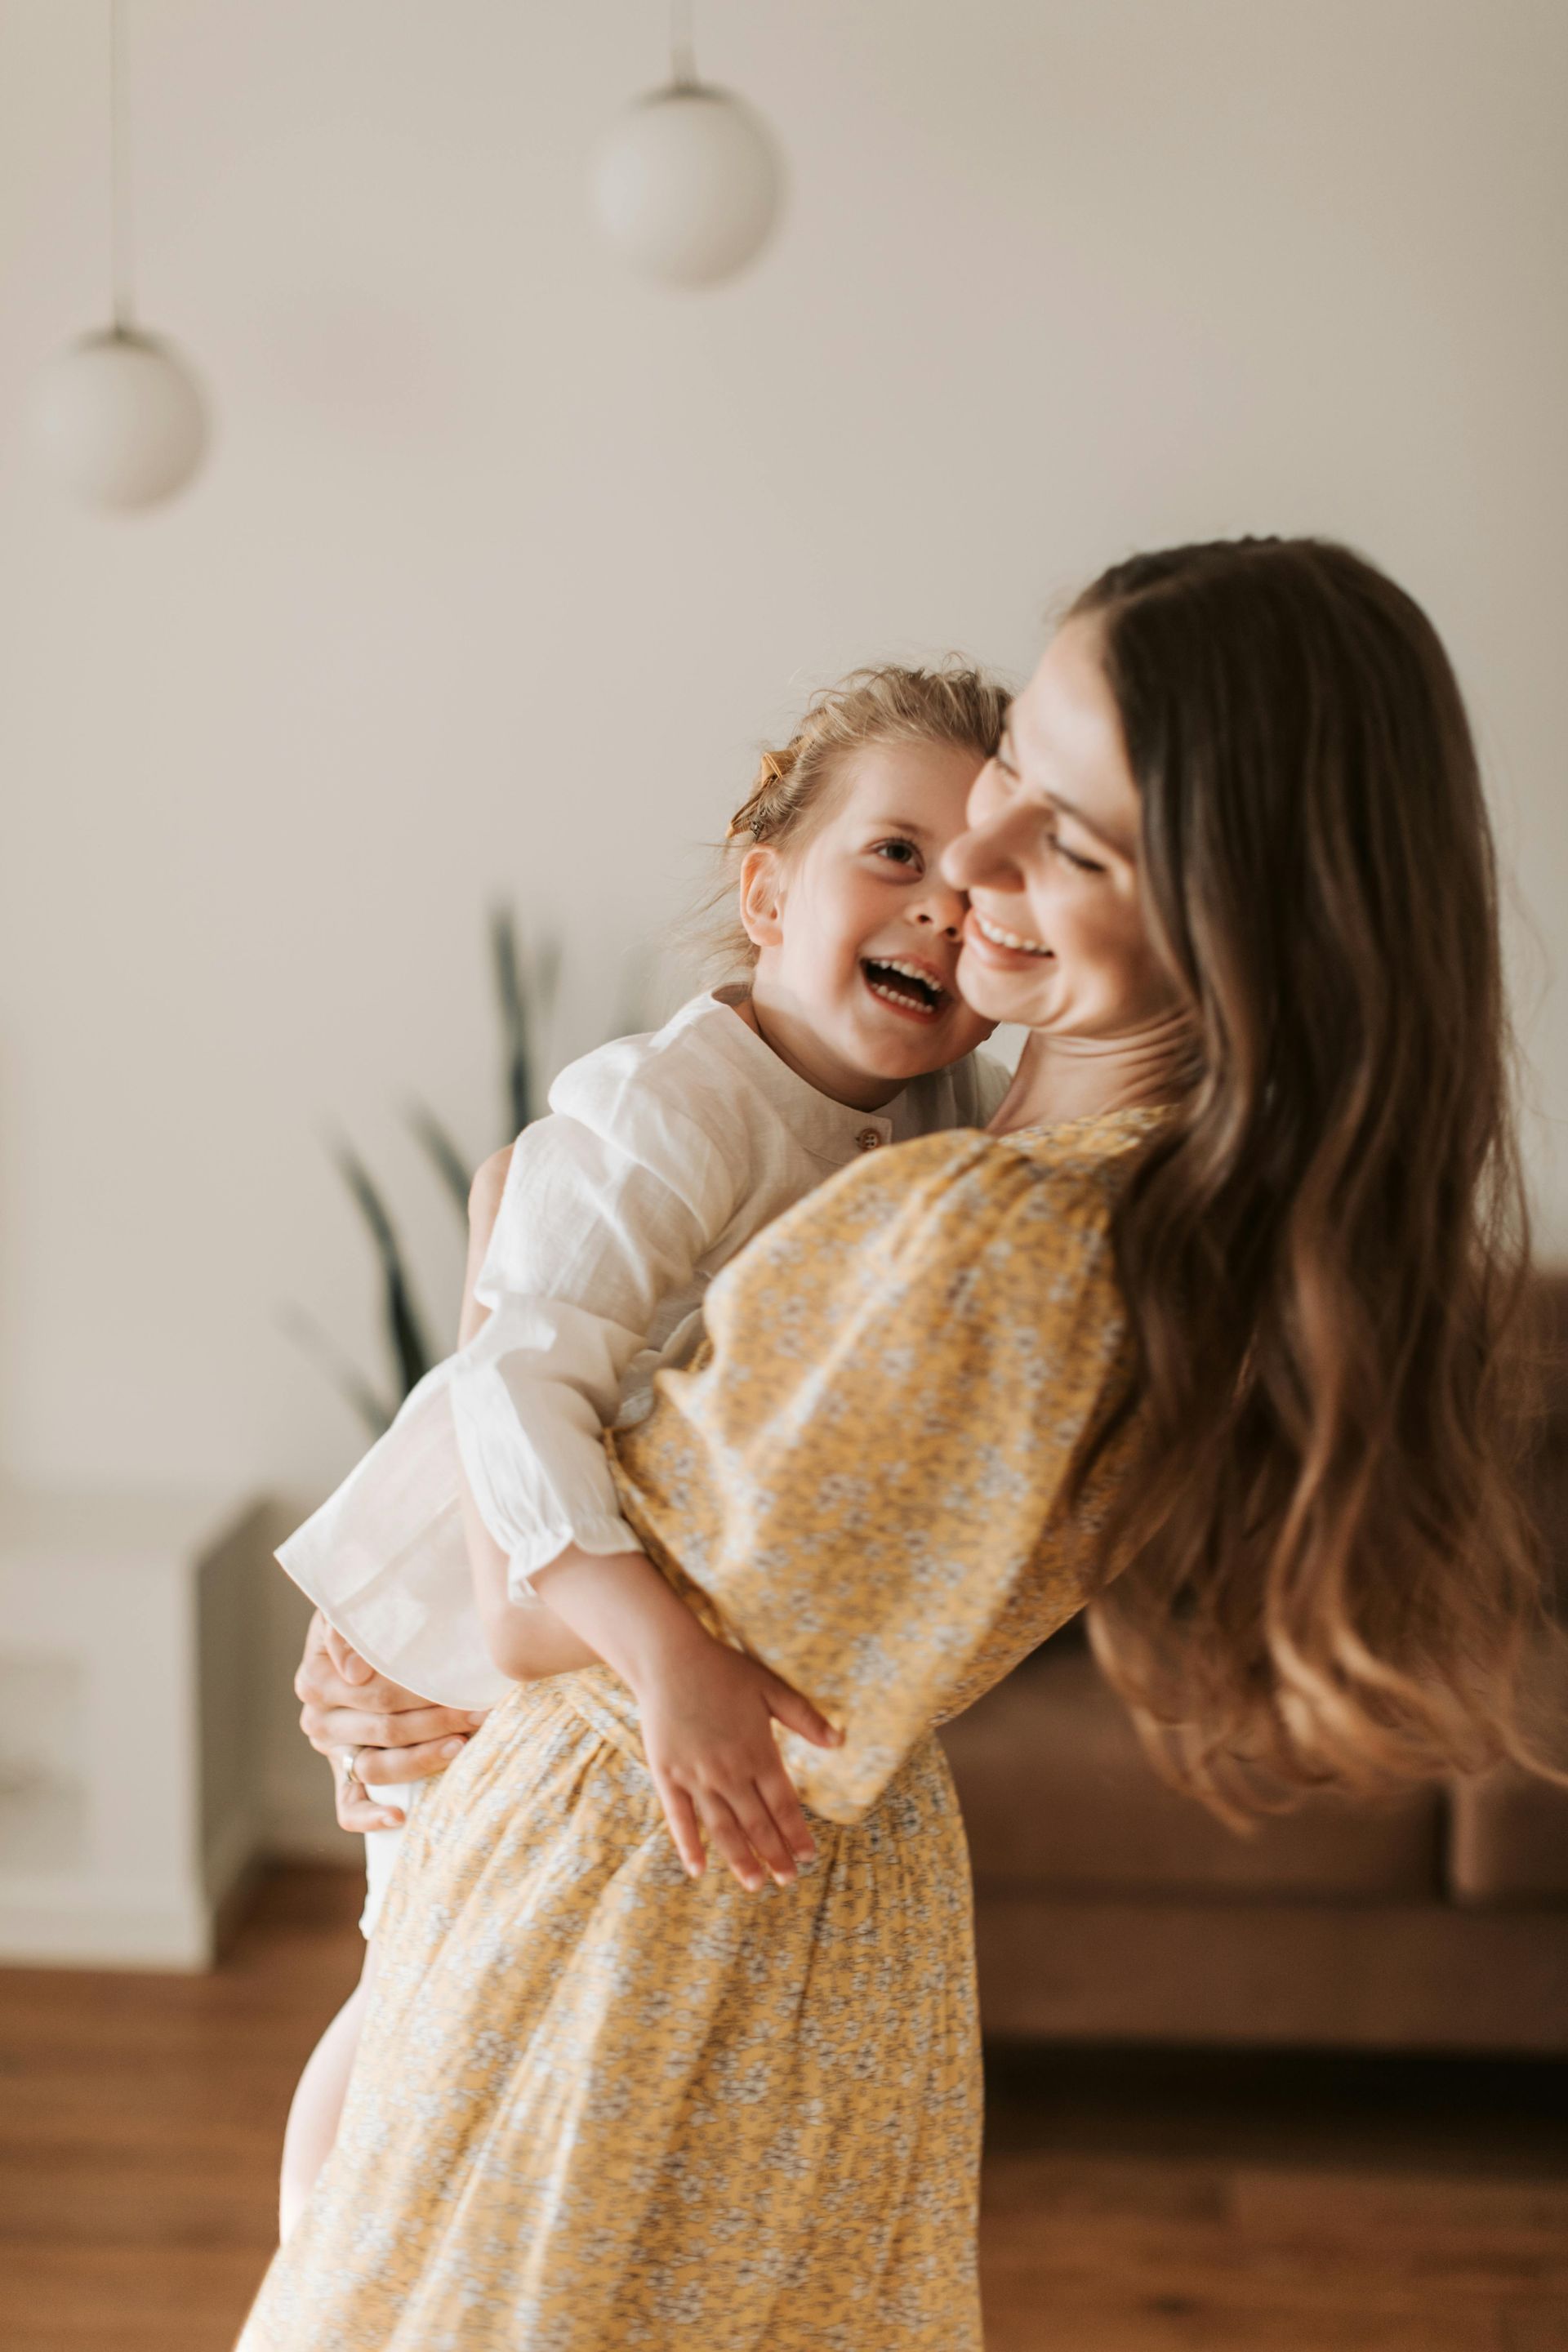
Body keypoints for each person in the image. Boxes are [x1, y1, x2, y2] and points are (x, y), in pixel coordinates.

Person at [263, 538, 1553, 2352]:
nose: (981, 868)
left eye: (1075, 842)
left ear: (1229, 918)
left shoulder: (982, 1242)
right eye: (1017, 757)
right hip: (724, 1914)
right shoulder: (1038, 1189)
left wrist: (500, 1222)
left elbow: (537, 1606)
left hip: (638, 1933)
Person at [273, 663, 1014, 2236]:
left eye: (981, 880)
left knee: (468, 2010)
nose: (943, 909)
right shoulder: (673, 1106)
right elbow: (519, 1379)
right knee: (418, 1987)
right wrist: (665, 1657)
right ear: (765, 888)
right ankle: (316, 2283)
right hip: (468, 1596)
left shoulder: (933, 1125)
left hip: (570, 1615)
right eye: (896, 854)